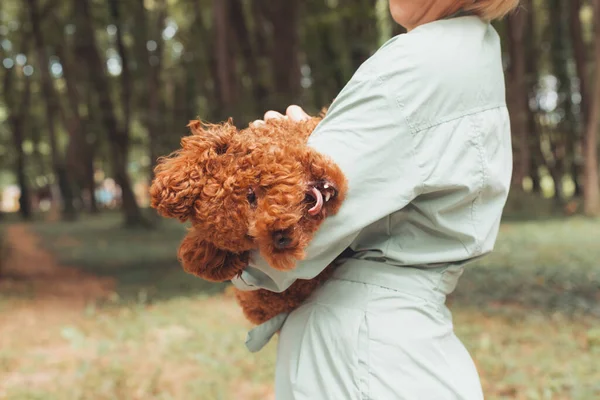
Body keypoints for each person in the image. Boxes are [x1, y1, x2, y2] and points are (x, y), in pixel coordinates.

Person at [232, 0, 519, 398]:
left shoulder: (417, 64)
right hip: (404, 343)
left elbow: (285, 239)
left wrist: (272, 164)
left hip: (361, 352)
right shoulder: (475, 53)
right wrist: (315, 140)